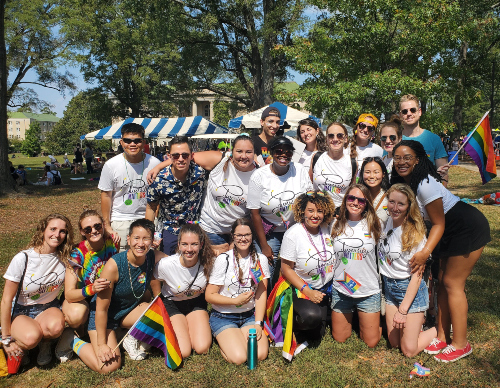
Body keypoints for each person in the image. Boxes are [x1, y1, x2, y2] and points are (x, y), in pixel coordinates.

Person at [391, 140, 491, 362]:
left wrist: (425, 252)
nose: (401, 162)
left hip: (466, 227)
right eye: (397, 158)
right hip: (448, 231)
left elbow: (438, 224)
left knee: (452, 284)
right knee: (441, 281)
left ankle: (461, 344)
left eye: (407, 157)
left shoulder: (425, 184)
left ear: (418, 160)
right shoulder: (409, 182)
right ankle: (443, 336)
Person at [62, 219, 162, 373]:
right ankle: (72, 340)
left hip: (126, 311)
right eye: (136, 238)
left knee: (157, 315)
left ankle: (126, 335)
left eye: (146, 238)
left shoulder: (151, 256)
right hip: (103, 317)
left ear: (152, 241)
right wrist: (102, 344)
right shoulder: (114, 265)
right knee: (108, 366)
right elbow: (101, 309)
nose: (141, 244)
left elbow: (178, 262)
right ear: (128, 239)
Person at [1, 214, 74, 367]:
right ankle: (22, 345)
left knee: (56, 327)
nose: (57, 234)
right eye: (52, 229)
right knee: (31, 337)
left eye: (62, 231)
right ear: (43, 230)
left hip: (48, 307)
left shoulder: (65, 257)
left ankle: (45, 344)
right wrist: (6, 337)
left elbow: (91, 245)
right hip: (22, 310)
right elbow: (7, 299)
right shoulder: (23, 258)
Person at [378, 184, 437, 357]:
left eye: (401, 204)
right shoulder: (386, 221)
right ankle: (415, 326)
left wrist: (403, 311)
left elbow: (417, 277)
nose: (395, 208)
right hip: (389, 288)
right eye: (391, 202)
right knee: (394, 343)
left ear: (409, 206)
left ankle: (440, 329)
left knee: (409, 351)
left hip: (410, 290)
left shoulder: (415, 233)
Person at [247, 136, 313, 289]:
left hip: (296, 229)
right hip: (270, 231)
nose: (284, 155)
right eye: (279, 151)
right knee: (265, 270)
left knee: (300, 268)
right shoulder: (259, 176)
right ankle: (264, 307)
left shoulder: (300, 171)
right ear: (271, 153)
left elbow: (310, 198)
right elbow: (254, 213)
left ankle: (295, 305)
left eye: (288, 152)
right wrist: (264, 245)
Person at [55, 210, 118, 363]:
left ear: (103, 226)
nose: (94, 231)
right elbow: (69, 294)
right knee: (77, 315)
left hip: (104, 296)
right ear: (82, 232)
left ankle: (88, 333)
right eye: (88, 229)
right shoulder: (77, 254)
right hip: (81, 298)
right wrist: (91, 289)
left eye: (97, 226)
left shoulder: (112, 243)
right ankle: (72, 335)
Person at [205, 218, 269, 365]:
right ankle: (225, 340)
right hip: (223, 316)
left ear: (252, 236)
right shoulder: (224, 260)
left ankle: (237, 337)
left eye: (247, 234)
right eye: (239, 235)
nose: (243, 238)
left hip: (249, 316)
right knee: (240, 358)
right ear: (233, 236)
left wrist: (258, 323)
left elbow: (260, 292)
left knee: (260, 354)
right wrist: (234, 301)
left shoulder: (260, 260)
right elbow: (209, 295)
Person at [279, 191, 336, 343]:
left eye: (320, 211)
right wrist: (308, 291)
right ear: (302, 211)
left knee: (318, 335)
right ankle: (290, 322)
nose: (315, 215)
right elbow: (286, 269)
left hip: (325, 289)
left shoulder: (327, 228)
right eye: (310, 210)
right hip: (300, 290)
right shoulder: (293, 234)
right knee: (311, 317)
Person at [330, 184, 382, 348]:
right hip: (342, 289)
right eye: (351, 198)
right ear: (345, 200)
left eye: (361, 200)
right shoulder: (334, 224)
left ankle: (381, 324)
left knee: (371, 342)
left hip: (368, 290)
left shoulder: (375, 224)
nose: (355, 203)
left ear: (366, 203)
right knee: (340, 338)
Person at [154, 224, 215, 358]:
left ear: (201, 244)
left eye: (194, 244)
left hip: (196, 303)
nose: (189, 249)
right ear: (179, 244)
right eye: (184, 244)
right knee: (183, 351)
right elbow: (152, 278)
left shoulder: (209, 263)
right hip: (172, 304)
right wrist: (156, 297)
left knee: (202, 347)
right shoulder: (166, 265)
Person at [146, 136, 213, 255]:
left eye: (185, 155)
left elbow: (221, 156)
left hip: (194, 230)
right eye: (176, 155)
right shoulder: (159, 180)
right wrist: (148, 235)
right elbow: (151, 208)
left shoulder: (200, 173)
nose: (181, 159)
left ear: (192, 156)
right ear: (169, 157)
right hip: (170, 231)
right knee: (168, 267)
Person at [98, 123, 161, 251]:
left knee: (147, 258)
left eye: (137, 140)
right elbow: (106, 195)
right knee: (121, 262)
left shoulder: (154, 163)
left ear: (143, 142)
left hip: (146, 219)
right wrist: (108, 225)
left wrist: (156, 221)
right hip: (120, 220)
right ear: (121, 142)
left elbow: (159, 195)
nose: (132, 144)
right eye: (128, 140)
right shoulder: (111, 165)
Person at [399, 94, 449, 186]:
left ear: (419, 112)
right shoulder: (394, 140)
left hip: (430, 196)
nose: (409, 114)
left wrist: (440, 197)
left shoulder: (434, 139)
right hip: (402, 196)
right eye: (405, 111)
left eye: (413, 110)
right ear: (400, 115)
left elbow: (443, 175)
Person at [312, 122, 355, 207]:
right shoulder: (317, 157)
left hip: (340, 212)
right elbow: (309, 185)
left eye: (339, 135)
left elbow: (352, 191)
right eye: (331, 136)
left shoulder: (352, 162)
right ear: (326, 139)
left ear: (345, 139)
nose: (335, 139)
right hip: (319, 211)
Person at [358, 157, 390, 226]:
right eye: (367, 172)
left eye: (376, 172)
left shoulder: (390, 196)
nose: (372, 176)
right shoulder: (356, 195)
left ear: (383, 174)